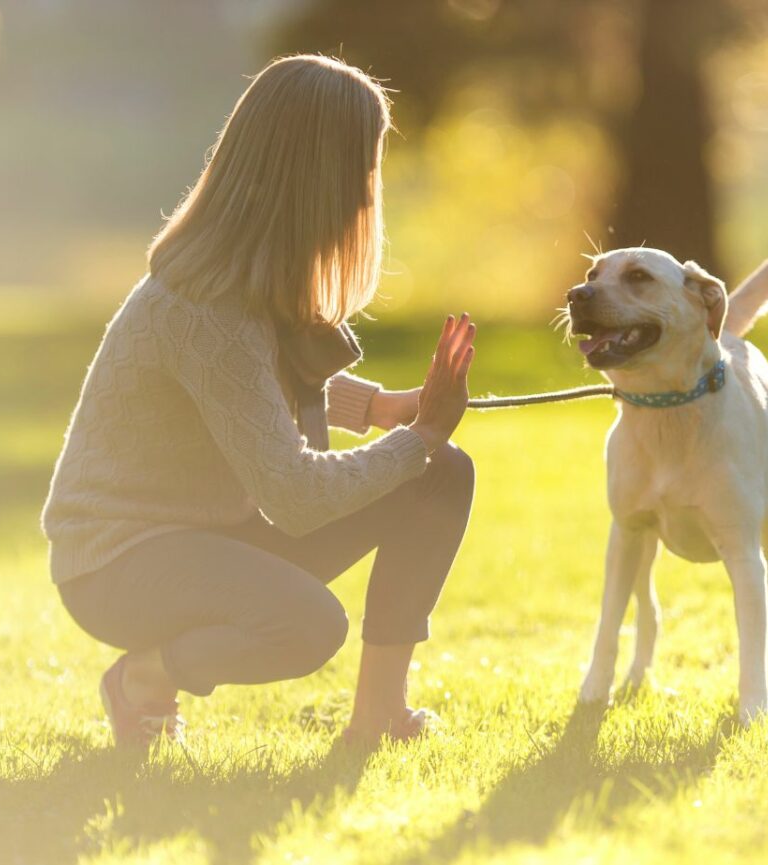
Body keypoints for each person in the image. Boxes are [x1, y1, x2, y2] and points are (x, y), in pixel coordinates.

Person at [42, 55, 477, 748]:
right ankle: (144, 679)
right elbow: (294, 492)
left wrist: (386, 412)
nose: (370, 194)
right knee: (309, 625)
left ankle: (378, 719)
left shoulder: (246, 285)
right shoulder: (205, 307)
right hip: (118, 561)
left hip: (209, 530)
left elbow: (244, 391)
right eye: (364, 168)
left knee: (442, 474)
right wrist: (416, 439)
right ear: (320, 177)